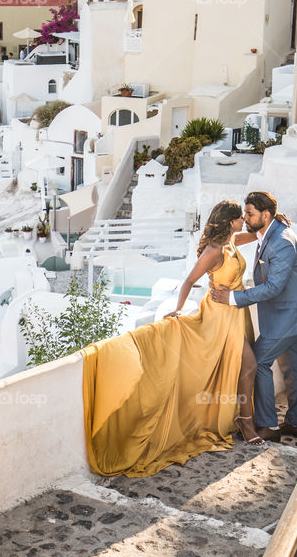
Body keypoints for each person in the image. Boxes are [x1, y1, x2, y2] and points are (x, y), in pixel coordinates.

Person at [82, 200, 264, 478]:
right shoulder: (215, 251)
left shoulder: (233, 240)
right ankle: (245, 422)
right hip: (218, 317)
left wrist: (271, 220)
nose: (243, 221)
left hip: (236, 313)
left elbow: (257, 232)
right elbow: (190, 281)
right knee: (248, 365)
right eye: (240, 217)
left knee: (245, 366)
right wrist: (178, 309)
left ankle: (242, 418)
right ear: (230, 222)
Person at [209, 191, 297, 443]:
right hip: (289, 312)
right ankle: (296, 423)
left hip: (287, 315)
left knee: (258, 362)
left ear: (265, 215)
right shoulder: (270, 230)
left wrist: (234, 298)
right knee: (292, 365)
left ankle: (268, 426)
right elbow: (235, 236)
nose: (245, 217)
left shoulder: (281, 241)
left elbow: (273, 287)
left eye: (250, 213)